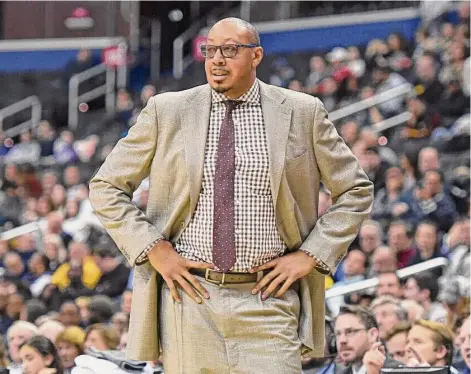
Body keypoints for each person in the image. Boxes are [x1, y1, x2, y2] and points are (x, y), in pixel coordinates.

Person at [89, 17, 373, 373]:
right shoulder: (168, 110)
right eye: (210, 50)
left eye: (229, 50)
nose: (217, 60)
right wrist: (154, 249)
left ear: (256, 56)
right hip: (190, 299)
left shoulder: (302, 112)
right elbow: (106, 187)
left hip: (269, 299)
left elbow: (356, 190)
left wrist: (312, 255)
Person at [333, 305, 401, 373]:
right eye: (338, 334)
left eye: (350, 332)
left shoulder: (397, 371)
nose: (342, 340)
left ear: (372, 335)